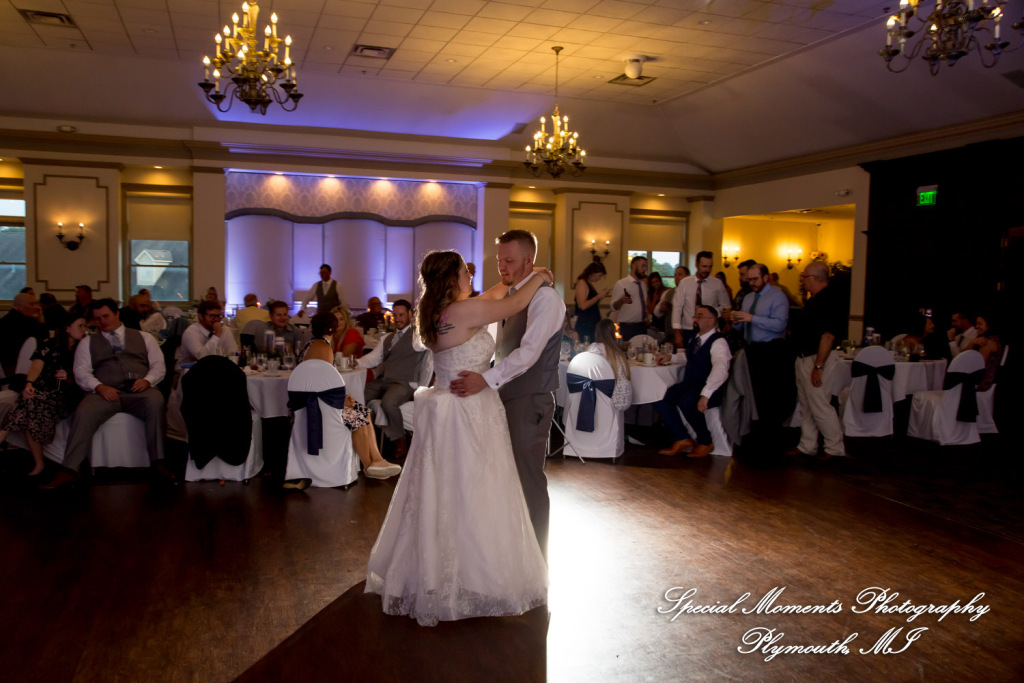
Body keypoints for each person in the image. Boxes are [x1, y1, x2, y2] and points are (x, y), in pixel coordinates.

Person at [366, 250, 550, 627]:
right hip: (468, 411)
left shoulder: (436, 312)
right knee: (474, 491)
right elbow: (513, 303)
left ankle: (439, 572)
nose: (471, 275)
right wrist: (539, 277)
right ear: (452, 278)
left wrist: (513, 279)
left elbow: (498, 294)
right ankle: (472, 576)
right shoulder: (463, 312)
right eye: (465, 271)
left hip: (446, 409)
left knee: (443, 492)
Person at [449, 229, 565, 559]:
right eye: (499, 260)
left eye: (509, 260)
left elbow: (527, 355)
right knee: (507, 476)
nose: (502, 266)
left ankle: (535, 560)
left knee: (527, 479)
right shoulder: (514, 294)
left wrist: (485, 379)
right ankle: (512, 556)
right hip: (506, 397)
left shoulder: (545, 299)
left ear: (529, 260)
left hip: (530, 400)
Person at [44, 299, 170, 488]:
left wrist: (147, 381)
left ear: (117, 314)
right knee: (84, 411)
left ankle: (158, 462)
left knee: (156, 402)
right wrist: (99, 387)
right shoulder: (88, 342)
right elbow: (81, 372)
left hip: (140, 391)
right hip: (105, 392)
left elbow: (159, 366)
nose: (102, 321)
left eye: (106, 316)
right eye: (97, 318)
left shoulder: (144, 337)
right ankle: (69, 469)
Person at [297, 312, 401, 480]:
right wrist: (341, 401)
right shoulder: (323, 348)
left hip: (317, 400)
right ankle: (368, 466)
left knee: (363, 410)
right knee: (357, 415)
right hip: (318, 405)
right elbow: (321, 383)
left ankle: (378, 460)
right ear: (331, 327)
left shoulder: (312, 344)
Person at [0, 316, 87, 477]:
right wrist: (29, 384)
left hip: (65, 394)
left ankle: (38, 463)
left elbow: (86, 376)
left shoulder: (84, 348)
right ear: (67, 328)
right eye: (80, 326)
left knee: (28, 405)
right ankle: (39, 464)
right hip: (42, 391)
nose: (84, 330)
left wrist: (68, 377)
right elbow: (36, 365)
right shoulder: (49, 344)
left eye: (85, 326)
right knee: (30, 402)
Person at [654, 305, 732, 459]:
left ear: (712, 320)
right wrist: (671, 357)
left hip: (708, 387)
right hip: (691, 384)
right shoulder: (695, 338)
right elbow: (690, 357)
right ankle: (682, 438)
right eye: (695, 316)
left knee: (686, 401)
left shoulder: (719, 342)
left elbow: (721, 369)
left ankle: (705, 441)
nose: (695, 319)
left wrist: (706, 394)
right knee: (660, 398)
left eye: (700, 316)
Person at [729, 263, 794, 447]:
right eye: (749, 280)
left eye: (755, 279)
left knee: (768, 396)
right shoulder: (749, 298)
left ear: (766, 277)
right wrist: (736, 321)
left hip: (771, 351)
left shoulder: (778, 297)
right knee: (752, 394)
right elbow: (743, 326)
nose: (752, 283)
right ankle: (753, 434)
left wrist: (752, 318)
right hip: (751, 350)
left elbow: (779, 325)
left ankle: (771, 437)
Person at [356, 299, 429, 459]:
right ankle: (359, 439)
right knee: (356, 397)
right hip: (384, 380)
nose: (398, 319)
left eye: (401, 315)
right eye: (395, 315)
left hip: (405, 382)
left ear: (410, 314)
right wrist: (354, 363)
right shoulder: (388, 338)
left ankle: (400, 440)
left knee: (389, 403)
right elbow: (373, 359)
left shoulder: (419, 335)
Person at [788, 262, 846, 460]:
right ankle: (807, 445)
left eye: (804, 277)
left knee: (820, 404)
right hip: (805, 357)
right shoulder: (815, 300)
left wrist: (818, 366)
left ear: (814, 278)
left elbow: (827, 336)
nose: (803, 282)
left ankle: (834, 448)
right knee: (806, 405)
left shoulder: (829, 300)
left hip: (817, 359)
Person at [673, 251, 730, 347]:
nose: (707, 270)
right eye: (704, 266)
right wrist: (677, 331)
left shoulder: (717, 283)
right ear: (696, 264)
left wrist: (713, 312)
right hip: (688, 329)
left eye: (710, 266)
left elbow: (726, 305)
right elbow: (677, 307)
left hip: (710, 329)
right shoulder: (685, 283)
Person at [175, 300, 238, 372]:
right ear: (200, 316)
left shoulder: (224, 330)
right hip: (190, 373)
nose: (216, 319)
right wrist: (217, 335)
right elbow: (202, 357)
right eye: (212, 316)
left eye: (218, 316)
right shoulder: (191, 332)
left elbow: (233, 353)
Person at [587, 318, 632, 411]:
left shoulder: (594, 349)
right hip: (624, 400)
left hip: (605, 402)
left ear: (597, 332)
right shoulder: (620, 354)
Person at [0, 292, 45, 379]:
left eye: (37, 303)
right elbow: (42, 344)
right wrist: (40, 317)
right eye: (32, 304)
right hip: (18, 371)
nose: (37, 307)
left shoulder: (5, 320)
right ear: (20, 306)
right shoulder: (27, 324)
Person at [611, 255, 649, 340]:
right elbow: (613, 307)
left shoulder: (643, 285)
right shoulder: (621, 284)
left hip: (642, 326)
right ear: (634, 266)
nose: (645, 269)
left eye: (646, 266)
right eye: (643, 266)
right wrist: (620, 301)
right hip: (628, 327)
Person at [573, 261, 609, 343]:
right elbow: (582, 306)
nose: (599, 278)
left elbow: (591, 304)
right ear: (592, 273)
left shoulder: (589, 284)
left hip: (592, 322)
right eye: (599, 276)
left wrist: (601, 297)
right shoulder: (582, 282)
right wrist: (598, 296)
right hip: (586, 323)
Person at [966, 313, 1002, 392]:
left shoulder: (988, 342)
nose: (976, 327)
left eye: (980, 324)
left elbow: (978, 365)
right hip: (980, 376)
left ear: (989, 325)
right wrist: (972, 342)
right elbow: (961, 355)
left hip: (984, 380)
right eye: (976, 324)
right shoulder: (981, 339)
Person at [654, 266, 688, 337]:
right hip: (671, 334)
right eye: (675, 275)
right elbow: (656, 313)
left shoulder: (693, 292)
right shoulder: (668, 293)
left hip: (688, 332)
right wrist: (660, 308)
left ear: (688, 276)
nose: (677, 277)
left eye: (680, 274)